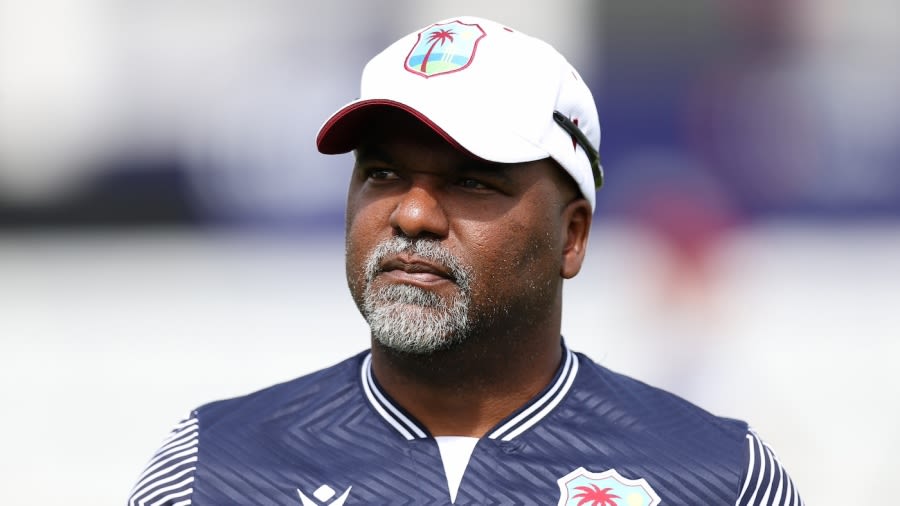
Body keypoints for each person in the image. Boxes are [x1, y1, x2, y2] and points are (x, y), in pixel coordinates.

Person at [127, 16, 803, 506]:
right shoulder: (212, 470)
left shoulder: (720, 478)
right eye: (383, 173)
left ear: (572, 237)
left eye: (472, 182)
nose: (412, 215)